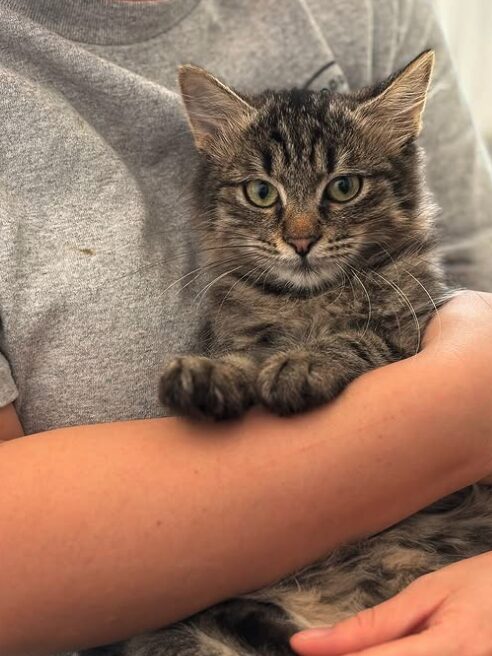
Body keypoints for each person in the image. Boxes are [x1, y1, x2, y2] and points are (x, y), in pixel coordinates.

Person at [0, 1, 491, 654]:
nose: (301, 234)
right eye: (264, 195)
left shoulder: (370, 12)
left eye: (342, 190)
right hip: (247, 609)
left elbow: (470, 278)